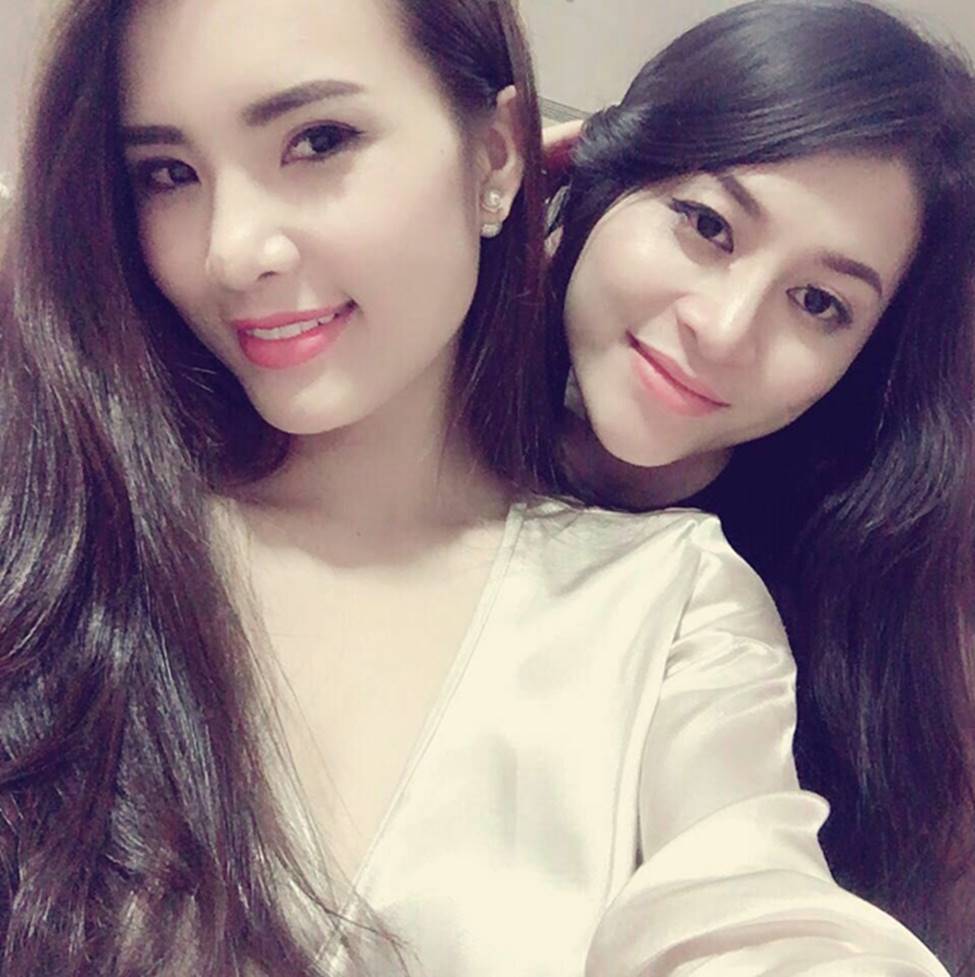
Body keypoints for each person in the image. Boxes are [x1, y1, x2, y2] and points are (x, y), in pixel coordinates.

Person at [0, 0, 956, 975]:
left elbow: (754, 905)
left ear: (500, 152)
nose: (233, 251)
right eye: (167, 172)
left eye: (320, 140)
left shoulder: (680, 604)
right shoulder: (63, 528)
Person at [546, 0, 975, 969]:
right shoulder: (390, 431)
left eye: (818, 302)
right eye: (707, 225)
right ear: (599, 175)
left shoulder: (756, 615)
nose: (726, 328)